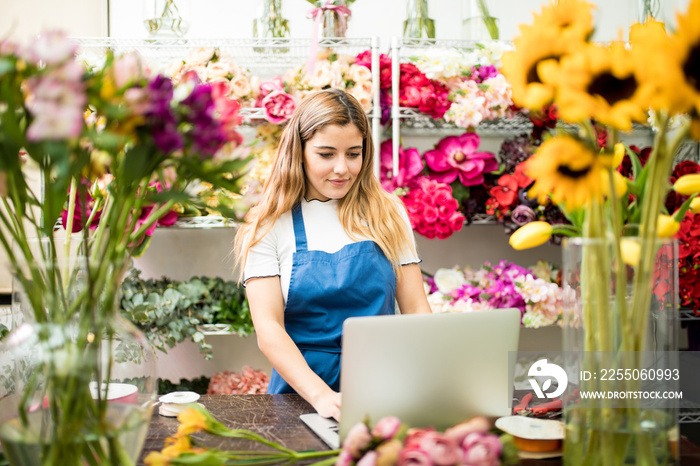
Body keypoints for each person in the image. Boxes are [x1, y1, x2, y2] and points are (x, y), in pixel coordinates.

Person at [234, 88, 431, 421]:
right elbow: (268, 329)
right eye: (326, 154)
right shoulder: (269, 222)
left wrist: (436, 374)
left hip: (382, 381)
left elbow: (415, 308)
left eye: (353, 154)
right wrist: (321, 396)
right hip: (302, 391)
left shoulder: (389, 213)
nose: (342, 168)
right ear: (300, 151)